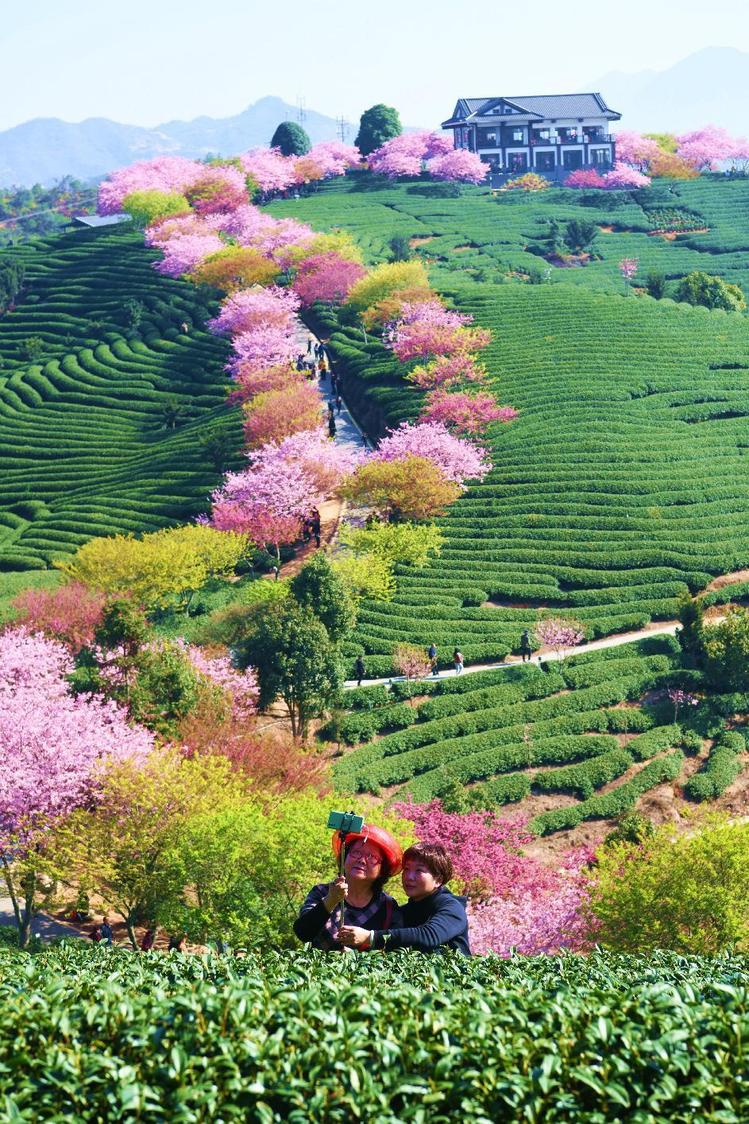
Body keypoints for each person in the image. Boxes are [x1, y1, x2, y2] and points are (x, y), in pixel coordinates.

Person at [340, 843, 470, 956]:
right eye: (406, 869)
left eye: (419, 870)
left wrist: (370, 937)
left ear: (438, 880)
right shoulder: (402, 911)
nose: (409, 877)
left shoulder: (452, 907)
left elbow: (428, 936)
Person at [294, 825, 403, 952]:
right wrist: (331, 900)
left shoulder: (387, 906)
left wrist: (356, 958)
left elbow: (395, 952)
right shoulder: (322, 892)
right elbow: (302, 933)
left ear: (382, 870)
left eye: (372, 857)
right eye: (356, 852)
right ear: (344, 857)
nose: (362, 860)